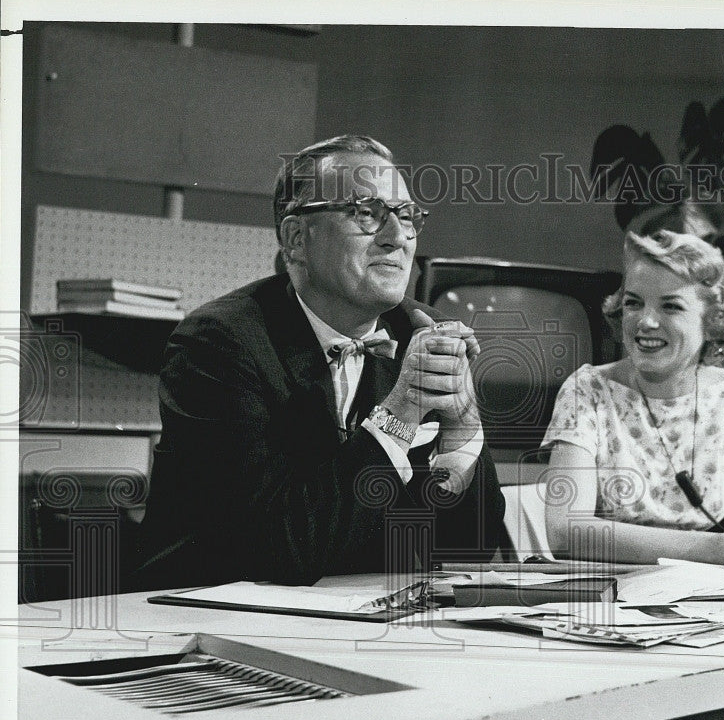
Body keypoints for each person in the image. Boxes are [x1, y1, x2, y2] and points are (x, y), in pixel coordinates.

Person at [136, 135, 509, 588]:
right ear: (297, 239)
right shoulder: (218, 344)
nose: (398, 239)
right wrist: (399, 414)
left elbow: (471, 550)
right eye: (368, 213)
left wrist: (463, 428)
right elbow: (282, 550)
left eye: (408, 216)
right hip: (205, 619)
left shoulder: (420, 333)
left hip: (356, 623)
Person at [541, 228, 724, 565]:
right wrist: (716, 549)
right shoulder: (587, 391)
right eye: (634, 303)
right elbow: (564, 531)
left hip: (699, 598)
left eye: (671, 306)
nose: (645, 321)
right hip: (604, 594)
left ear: (712, 322)